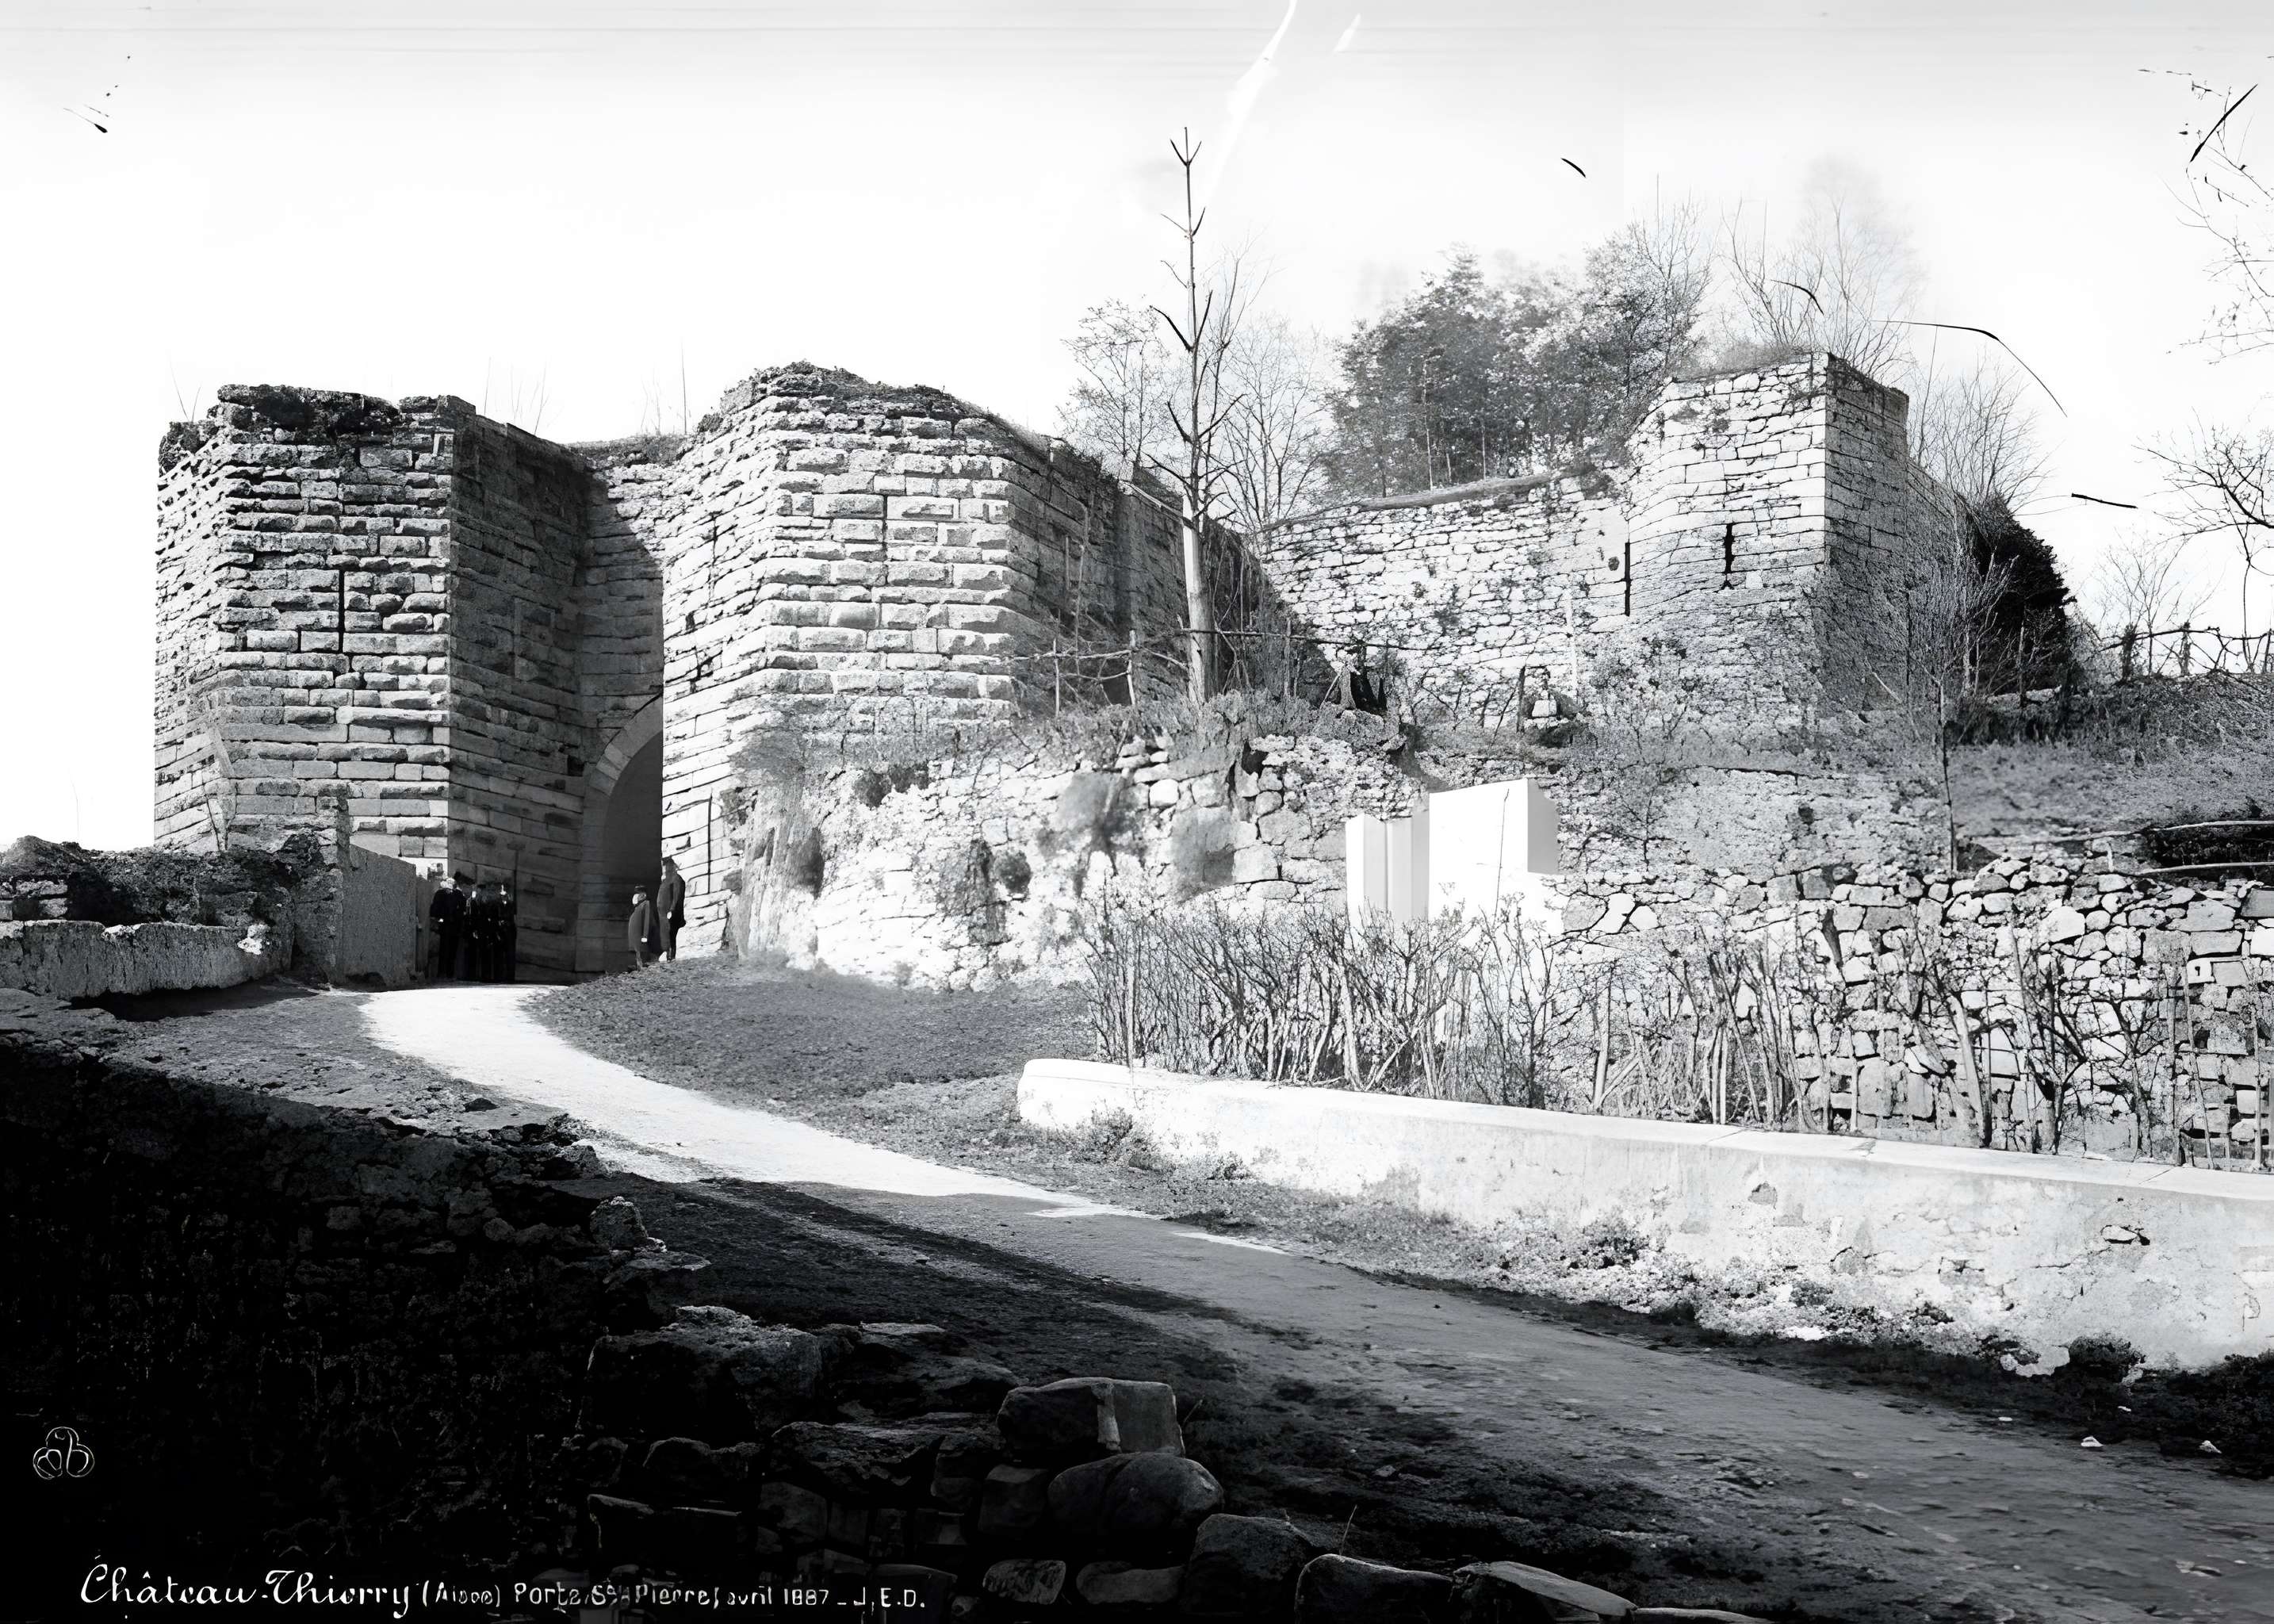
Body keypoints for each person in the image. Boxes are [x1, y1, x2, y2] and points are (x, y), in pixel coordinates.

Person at [428, 872, 467, 980]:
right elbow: (435, 908)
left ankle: (450, 973)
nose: (450, 884)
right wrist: (439, 918)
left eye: (452, 882)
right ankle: (441, 973)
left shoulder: (458, 894)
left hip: (455, 925)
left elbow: (463, 907)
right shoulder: (440, 893)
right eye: (448, 882)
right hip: (444, 925)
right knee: (443, 949)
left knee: (452, 950)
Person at [466, 879, 501, 982]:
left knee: (484, 953)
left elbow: (474, 917)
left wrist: (474, 929)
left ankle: (484, 975)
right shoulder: (483, 901)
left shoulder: (479, 902)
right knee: (484, 953)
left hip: (484, 929)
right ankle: (484, 975)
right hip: (484, 929)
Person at [657, 856, 686, 962]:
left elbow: (676, 896)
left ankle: (671, 955)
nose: (665, 869)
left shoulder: (676, 879)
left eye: (667, 867)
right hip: (663, 914)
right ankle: (667, 953)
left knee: (671, 934)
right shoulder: (667, 880)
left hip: (671, 913)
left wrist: (672, 910)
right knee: (666, 934)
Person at [626, 888, 659, 970]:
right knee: (638, 955)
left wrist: (645, 936)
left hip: (640, 936)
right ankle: (640, 967)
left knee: (642, 954)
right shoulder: (638, 908)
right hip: (635, 935)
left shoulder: (645, 904)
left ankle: (642, 968)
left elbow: (647, 921)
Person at [498, 883, 519, 982]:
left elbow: (512, 917)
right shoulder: (499, 904)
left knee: (510, 955)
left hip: (509, 931)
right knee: (501, 954)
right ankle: (502, 976)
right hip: (502, 931)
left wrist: (505, 921)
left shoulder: (511, 904)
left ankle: (510, 977)